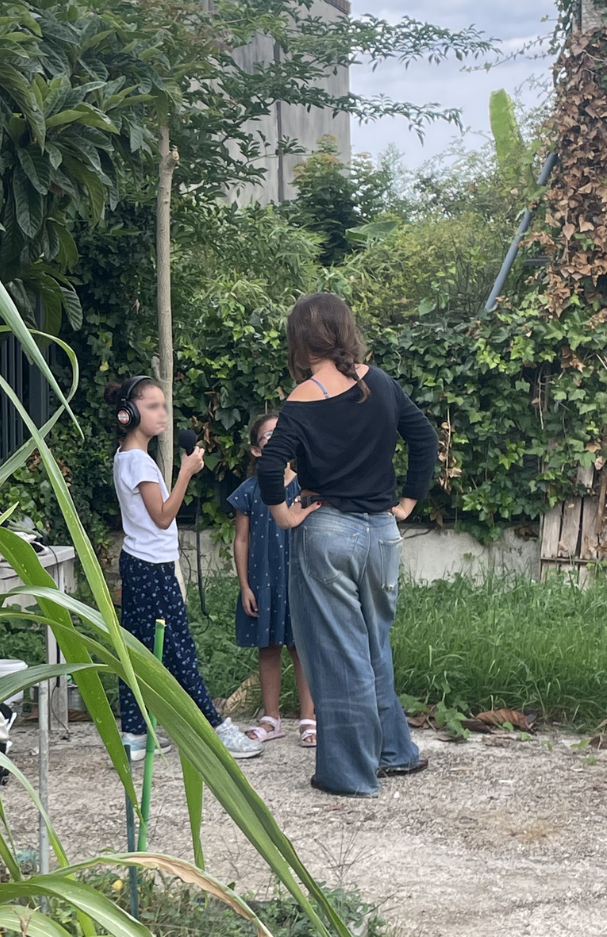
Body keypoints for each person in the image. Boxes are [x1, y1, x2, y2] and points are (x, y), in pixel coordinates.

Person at [255, 294, 438, 798]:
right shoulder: (377, 381)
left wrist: (284, 514)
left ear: (299, 339)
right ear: (344, 330)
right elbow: (424, 440)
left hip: (328, 531)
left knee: (340, 655)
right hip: (382, 534)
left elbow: (270, 468)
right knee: (374, 645)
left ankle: (349, 775)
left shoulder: (304, 396)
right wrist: (407, 502)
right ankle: (395, 753)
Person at [108, 375, 259, 762]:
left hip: (140, 563)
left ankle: (135, 734)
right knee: (179, 650)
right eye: (154, 406)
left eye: (164, 406)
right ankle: (214, 727)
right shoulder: (138, 461)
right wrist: (186, 473)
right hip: (153, 568)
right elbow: (162, 517)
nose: (163, 414)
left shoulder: (126, 457)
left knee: (139, 650)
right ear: (130, 412)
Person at [228, 412, 316, 747]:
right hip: (262, 583)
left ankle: (309, 719)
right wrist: (245, 586)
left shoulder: (305, 486)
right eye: (269, 437)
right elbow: (241, 540)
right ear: (256, 451)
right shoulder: (249, 491)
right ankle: (271, 719)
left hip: (299, 580)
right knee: (268, 648)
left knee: (302, 648)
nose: (277, 441)